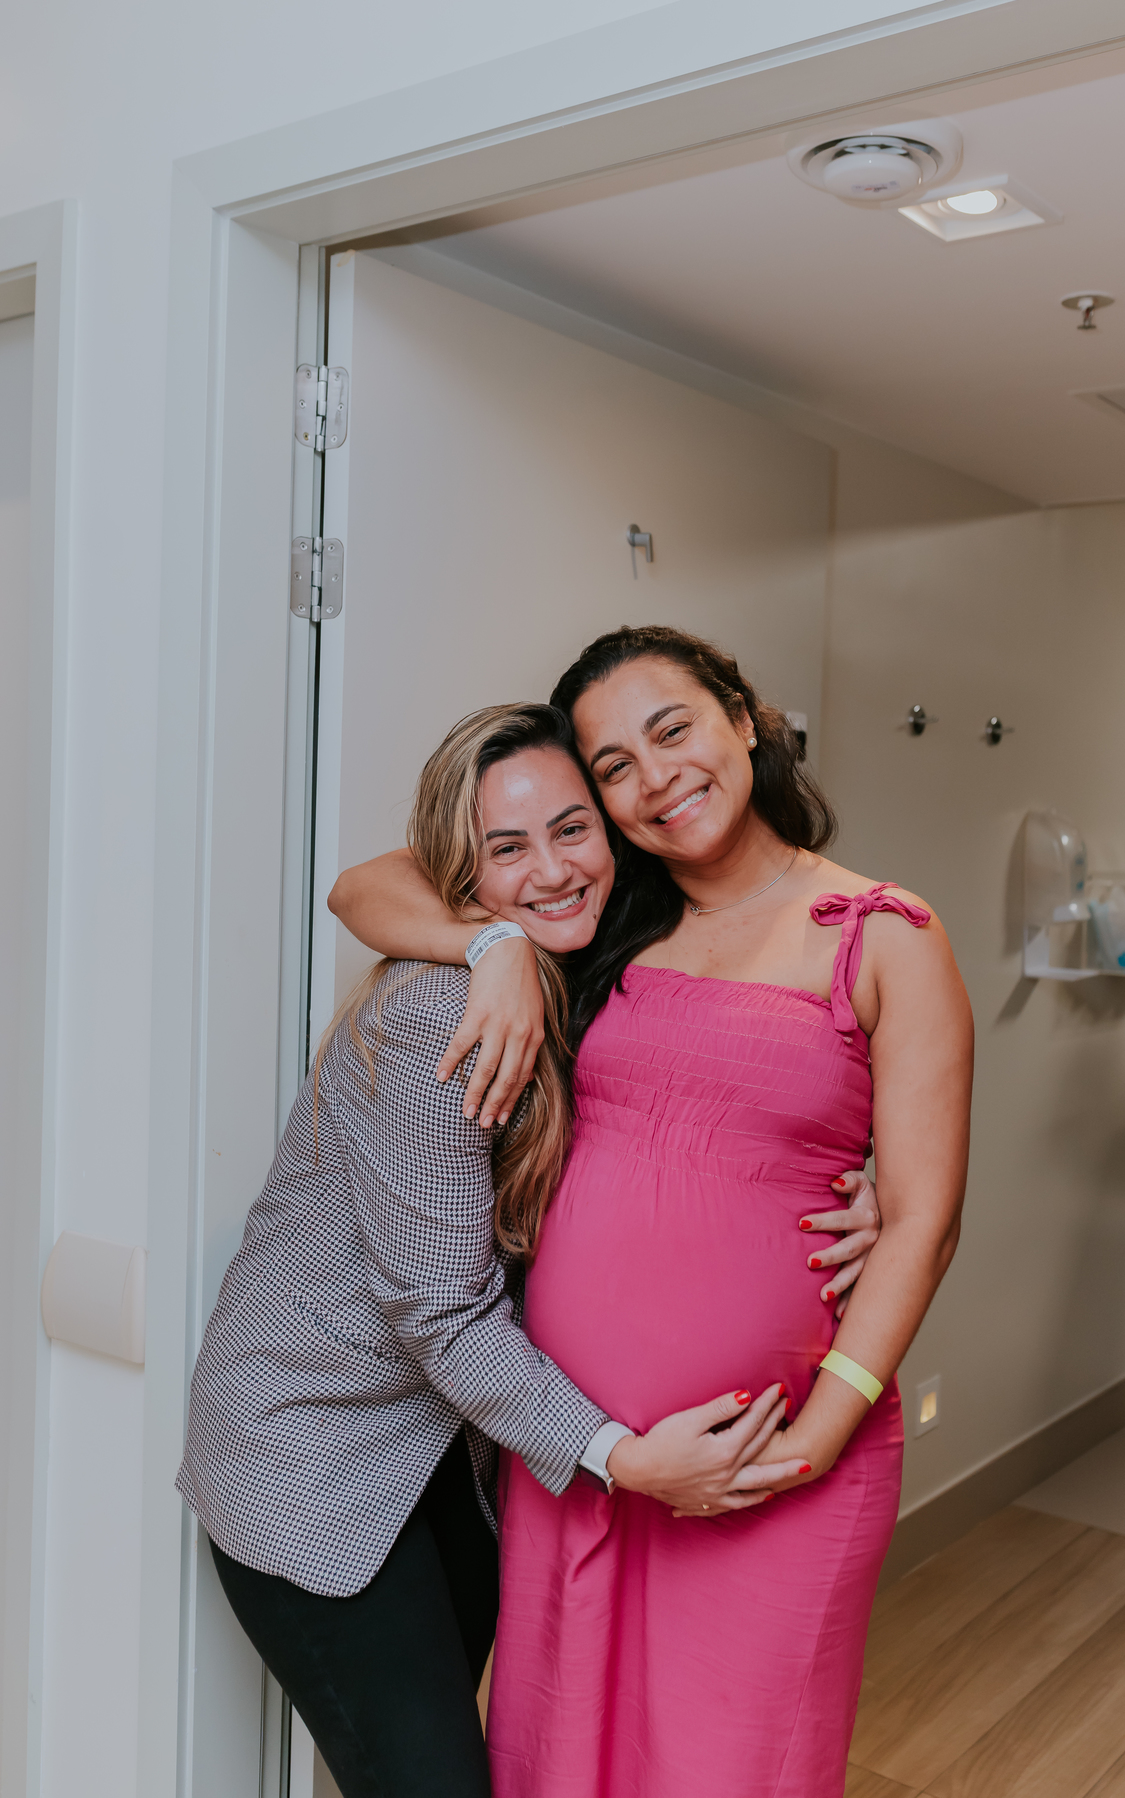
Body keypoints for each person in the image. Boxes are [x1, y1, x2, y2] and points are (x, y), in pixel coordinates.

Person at [331, 625, 973, 1798]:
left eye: (671, 728)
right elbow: (361, 886)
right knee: (558, 1757)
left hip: (772, 1459)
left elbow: (924, 1219)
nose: (653, 774)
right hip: (581, 1455)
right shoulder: (599, 913)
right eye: (612, 765)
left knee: (736, 1766)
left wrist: (819, 1436)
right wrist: (493, 946)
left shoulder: (885, 933)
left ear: (745, 717)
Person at [177, 702, 811, 1798]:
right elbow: (444, 1317)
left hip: (444, 1462)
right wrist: (626, 1456)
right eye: (503, 849)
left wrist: (862, 1187)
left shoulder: (598, 956)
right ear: (459, 867)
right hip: (311, 1461)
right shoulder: (440, 1016)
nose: (553, 869)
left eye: (574, 828)